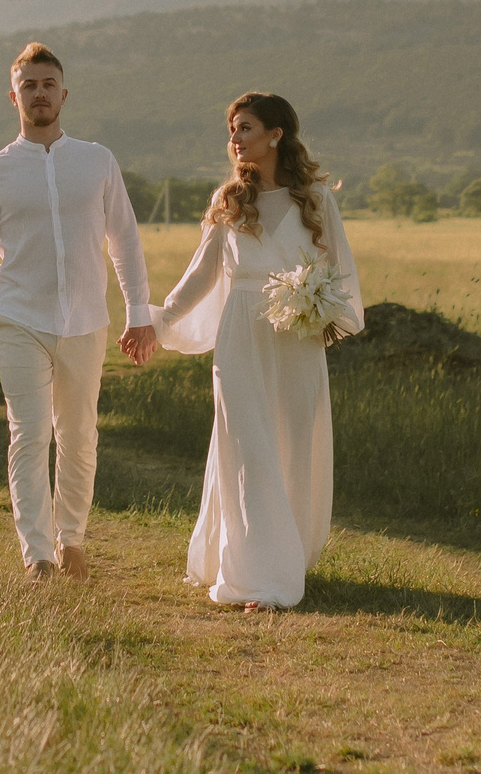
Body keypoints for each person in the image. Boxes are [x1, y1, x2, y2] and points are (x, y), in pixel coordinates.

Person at [153, 90, 364, 610]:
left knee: (291, 445)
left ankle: (283, 554)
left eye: (245, 127)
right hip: (240, 338)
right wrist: (155, 321)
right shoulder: (228, 201)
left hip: (297, 337)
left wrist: (321, 308)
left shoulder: (316, 199)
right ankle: (259, 578)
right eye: (231, 129)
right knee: (246, 448)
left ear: (276, 134)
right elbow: (200, 276)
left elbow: (338, 270)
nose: (235, 139)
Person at [0, 42, 157, 580]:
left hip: (88, 321)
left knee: (79, 435)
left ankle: (72, 541)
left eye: (47, 84)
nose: (39, 93)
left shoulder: (97, 161)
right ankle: (38, 555)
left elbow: (126, 241)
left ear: (63, 93)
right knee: (28, 434)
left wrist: (140, 312)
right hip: (20, 318)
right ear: (13, 96)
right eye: (29, 85)